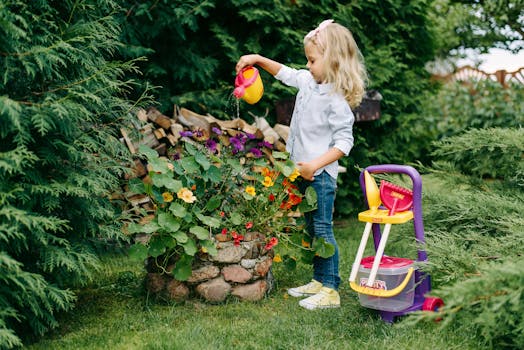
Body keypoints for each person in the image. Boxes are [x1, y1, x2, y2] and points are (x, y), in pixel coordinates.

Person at [235, 19, 367, 310]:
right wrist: (256, 59)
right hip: (302, 171)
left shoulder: (336, 100)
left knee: (322, 229)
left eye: (312, 60)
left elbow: (344, 143)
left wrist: (314, 166)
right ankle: (319, 280)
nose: (308, 66)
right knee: (311, 229)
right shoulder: (308, 82)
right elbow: (283, 73)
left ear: (332, 61)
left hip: (319, 175)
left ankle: (331, 289)